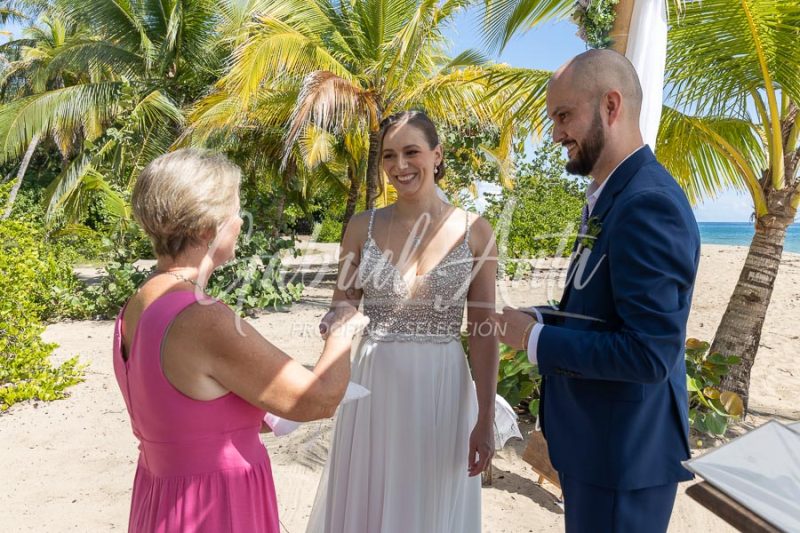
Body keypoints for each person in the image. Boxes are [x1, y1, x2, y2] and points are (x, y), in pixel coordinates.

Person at [495, 49, 700, 532]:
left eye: (564, 116)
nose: (556, 134)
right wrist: (542, 318)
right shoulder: (614, 194)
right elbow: (606, 310)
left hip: (623, 457)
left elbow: (647, 353)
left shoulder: (647, 204)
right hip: (602, 450)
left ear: (611, 106)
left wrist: (533, 340)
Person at [113, 148, 366, 533]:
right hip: (214, 506)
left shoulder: (137, 303)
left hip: (160, 499)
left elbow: (182, 411)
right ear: (205, 228)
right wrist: (343, 330)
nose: (239, 223)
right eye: (235, 213)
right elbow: (319, 399)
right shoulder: (202, 317)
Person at [307, 110, 499, 533]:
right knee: (369, 499)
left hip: (442, 387)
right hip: (374, 385)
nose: (400, 166)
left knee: (430, 501)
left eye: (412, 152)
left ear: (436, 155)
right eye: (390, 156)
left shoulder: (477, 232)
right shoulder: (360, 227)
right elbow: (344, 305)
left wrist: (484, 419)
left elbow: (484, 335)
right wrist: (335, 321)